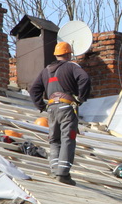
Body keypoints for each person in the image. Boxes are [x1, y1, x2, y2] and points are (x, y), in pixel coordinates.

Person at [29, 41, 92, 185]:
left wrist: (41, 106)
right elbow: (85, 79)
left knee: (54, 140)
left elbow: (33, 90)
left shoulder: (46, 70)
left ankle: (55, 170)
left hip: (51, 109)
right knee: (67, 138)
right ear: (69, 54)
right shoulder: (72, 66)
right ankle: (63, 174)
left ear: (56, 55)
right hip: (67, 108)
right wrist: (81, 98)